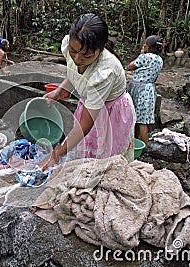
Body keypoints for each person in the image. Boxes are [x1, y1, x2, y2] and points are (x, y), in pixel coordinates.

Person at [40, 13, 136, 170]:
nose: (77, 59)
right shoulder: (71, 45)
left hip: (111, 114)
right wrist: (59, 90)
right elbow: (74, 72)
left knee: (106, 164)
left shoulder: (104, 73)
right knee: (84, 155)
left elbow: (86, 123)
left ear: (100, 49)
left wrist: (56, 155)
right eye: (73, 51)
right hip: (89, 107)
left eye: (86, 55)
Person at [126, 35, 163, 146]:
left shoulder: (145, 57)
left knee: (135, 118)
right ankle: (141, 143)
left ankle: (143, 146)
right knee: (143, 119)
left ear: (147, 47)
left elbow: (130, 66)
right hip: (149, 90)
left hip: (138, 89)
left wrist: (141, 54)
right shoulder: (160, 60)